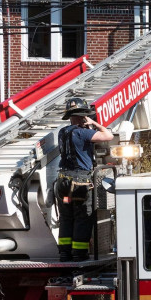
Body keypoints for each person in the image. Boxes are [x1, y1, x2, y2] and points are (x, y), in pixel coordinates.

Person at [55, 97, 113, 262]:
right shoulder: (83, 132)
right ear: (83, 116)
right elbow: (107, 136)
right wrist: (94, 124)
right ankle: (79, 253)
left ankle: (64, 253)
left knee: (66, 216)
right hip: (80, 184)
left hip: (64, 185)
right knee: (82, 216)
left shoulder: (63, 132)